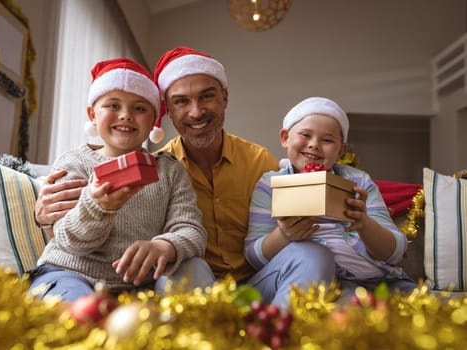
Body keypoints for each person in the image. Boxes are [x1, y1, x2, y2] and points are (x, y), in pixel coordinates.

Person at [34, 47, 335, 307]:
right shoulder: (155, 162)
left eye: (207, 97)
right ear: (168, 112)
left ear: (224, 98)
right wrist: (47, 215)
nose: (196, 112)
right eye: (180, 102)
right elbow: (67, 236)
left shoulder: (254, 160)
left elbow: (191, 228)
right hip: (182, 277)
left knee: (311, 254)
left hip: (253, 279)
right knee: (191, 266)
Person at [28, 58, 207, 301]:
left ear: (155, 119)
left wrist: (165, 246)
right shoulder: (73, 163)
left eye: (140, 108)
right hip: (69, 273)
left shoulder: (170, 171)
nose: (126, 116)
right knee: (76, 311)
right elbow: (70, 242)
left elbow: (191, 229)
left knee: (195, 266)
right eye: (113, 105)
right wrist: (98, 207)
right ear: (92, 114)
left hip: (141, 285)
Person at [245, 96, 417, 307]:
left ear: (340, 150)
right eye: (305, 135)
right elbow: (254, 258)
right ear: (285, 138)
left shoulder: (357, 181)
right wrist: (283, 235)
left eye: (327, 140)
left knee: (430, 306)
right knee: (352, 307)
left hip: (380, 278)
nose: (314, 145)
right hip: (328, 281)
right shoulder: (271, 184)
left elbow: (396, 252)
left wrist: (365, 224)